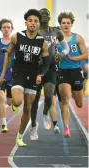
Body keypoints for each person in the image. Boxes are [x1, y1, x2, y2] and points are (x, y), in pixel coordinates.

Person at [0, 9, 51, 146]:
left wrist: (41, 75)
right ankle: (15, 103)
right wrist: (3, 74)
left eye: (36, 21)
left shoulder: (42, 42)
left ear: (39, 24)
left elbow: (46, 63)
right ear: (26, 22)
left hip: (33, 76)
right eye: (30, 20)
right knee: (17, 101)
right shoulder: (17, 36)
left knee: (28, 107)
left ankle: (20, 136)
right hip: (18, 73)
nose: (33, 23)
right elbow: (8, 55)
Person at [30, 8, 69, 140]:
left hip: (51, 67)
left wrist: (62, 54)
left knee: (48, 96)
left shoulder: (56, 31)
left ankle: (45, 112)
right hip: (35, 69)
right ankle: (34, 128)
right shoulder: (33, 31)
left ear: (50, 17)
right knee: (34, 100)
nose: (45, 16)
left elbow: (66, 47)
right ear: (38, 17)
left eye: (47, 14)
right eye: (42, 14)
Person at [57, 12, 88, 137]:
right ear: (60, 25)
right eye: (63, 23)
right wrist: (57, 57)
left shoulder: (78, 38)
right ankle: (66, 128)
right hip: (63, 72)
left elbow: (86, 55)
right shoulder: (56, 40)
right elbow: (50, 56)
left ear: (71, 24)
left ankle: (75, 94)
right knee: (65, 100)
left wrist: (74, 58)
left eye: (68, 23)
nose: (66, 25)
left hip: (76, 72)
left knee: (79, 104)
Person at [0, 19, 18, 133]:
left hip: (12, 74)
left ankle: (14, 103)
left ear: (11, 29)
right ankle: (4, 124)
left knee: (9, 101)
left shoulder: (15, 42)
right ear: (1, 29)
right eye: (4, 27)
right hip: (0, 73)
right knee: (0, 97)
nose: (6, 29)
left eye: (8, 27)